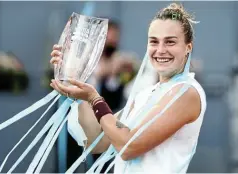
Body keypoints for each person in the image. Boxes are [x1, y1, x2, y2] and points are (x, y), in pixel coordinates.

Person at [50, 3, 206, 173]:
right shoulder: (145, 95)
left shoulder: (186, 91)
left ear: (187, 47)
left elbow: (128, 146)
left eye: (170, 42)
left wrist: (94, 99)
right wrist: (75, 81)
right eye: (154, 41)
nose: (160, 50)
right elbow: (96, 141)